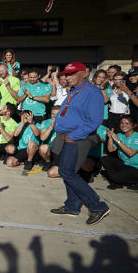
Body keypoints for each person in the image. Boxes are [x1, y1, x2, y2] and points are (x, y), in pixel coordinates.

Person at [50, 62, 110, 226]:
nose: (67, 77)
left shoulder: (93, 92)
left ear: (84, 74)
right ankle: (72, 205)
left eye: (71, 74)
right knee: (68, 171)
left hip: (77, 138)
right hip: (65, 136)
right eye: (66, 74)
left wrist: (74, 135)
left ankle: (97, 206)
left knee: (67, 172)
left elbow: (95, 120)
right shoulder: (74, 91)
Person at [101, 115, 138, 190]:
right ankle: (118, 182)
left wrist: (118, 141)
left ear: (134, 125)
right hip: (126, 165)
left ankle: (136, 181)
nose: (123, 125)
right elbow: (111, 150)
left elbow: (131, 153)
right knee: (105, 159)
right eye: (122, 123)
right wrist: (110, 137)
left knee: (113, 176)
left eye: (127, 123)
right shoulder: (120, 135)